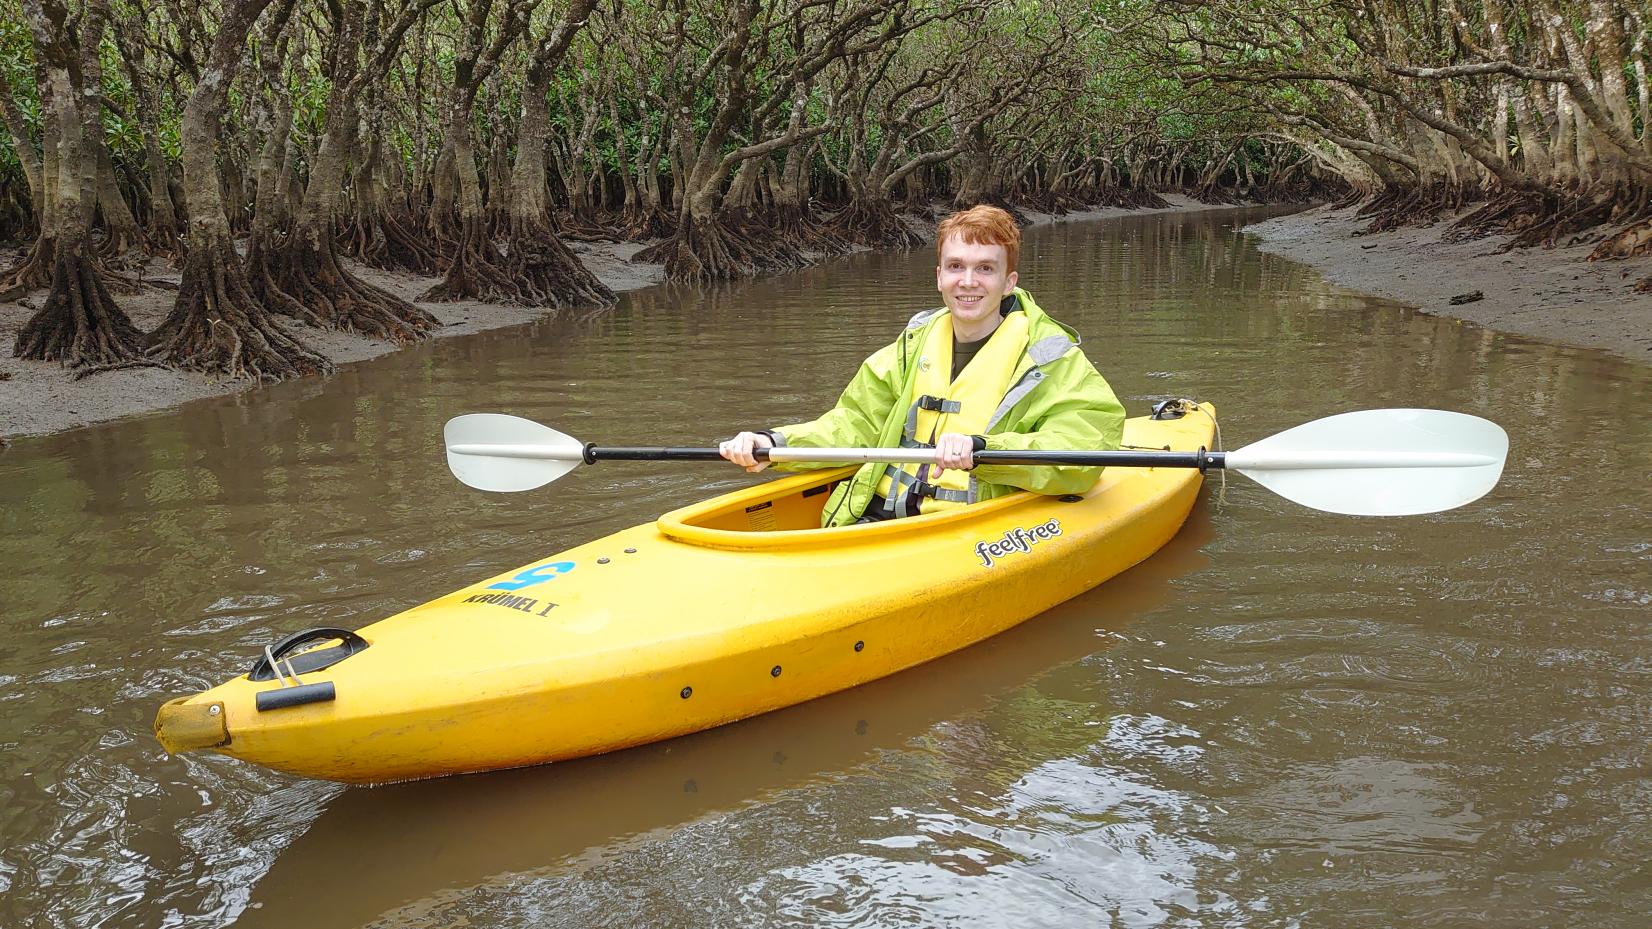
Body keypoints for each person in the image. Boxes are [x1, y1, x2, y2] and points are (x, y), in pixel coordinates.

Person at [719, 205, 1125, 526]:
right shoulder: (911, 347)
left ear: (1009, 282)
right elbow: (854, 425)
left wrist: (986, 449)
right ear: (938, 277)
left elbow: (1085, 447)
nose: (968, 281)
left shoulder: (1049, 355)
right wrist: (775, 444)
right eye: (956, 267)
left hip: (968, 529)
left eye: (985, 268)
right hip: (875, 514)